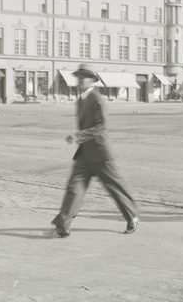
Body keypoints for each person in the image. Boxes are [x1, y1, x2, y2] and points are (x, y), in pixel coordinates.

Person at [51, 63, 139, 238]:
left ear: (91, 80)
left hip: (100, 153)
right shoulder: (80, 100)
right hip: (84, 154)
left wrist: (78, 136)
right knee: (74, 188)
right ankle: (64, 224)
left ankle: (132, 217)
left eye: (84, 78)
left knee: (114, 187)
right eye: (79, 77)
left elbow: (101, 127)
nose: (80, 80)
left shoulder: (97, 99)